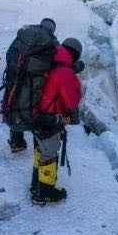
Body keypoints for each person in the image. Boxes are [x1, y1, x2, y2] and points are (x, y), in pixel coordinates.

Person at [30, 38, 82, 205]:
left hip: (35, 112)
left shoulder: (50, 61)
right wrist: (74, 80)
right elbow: (72, 101)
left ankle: (36, 184)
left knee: (41, 148)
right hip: (48, 117)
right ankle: (44, 192)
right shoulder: (64, 71)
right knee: (50, 151)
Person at [8, 17, 59, 153]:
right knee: (34, 107)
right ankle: (38, 145)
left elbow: (10, 53)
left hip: (16, 77)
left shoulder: (25, 36)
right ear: (53, 29)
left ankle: (16, 141)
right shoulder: (52, 41)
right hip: (38, 82)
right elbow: (57, 64)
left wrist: (14, 71)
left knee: (15, 103)